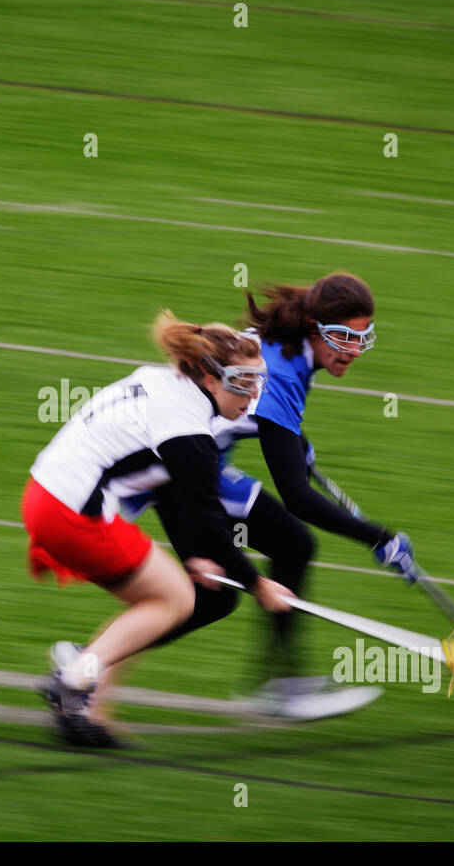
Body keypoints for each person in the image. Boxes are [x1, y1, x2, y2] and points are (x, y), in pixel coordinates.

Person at [124, 273, 418, 719]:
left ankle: (283, 685)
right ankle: (88, 661)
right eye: (342, 337)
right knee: (217, 594)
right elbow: (297, 497)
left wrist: (295, 442)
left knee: (290, 546)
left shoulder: (292, 346)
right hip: (175, 472)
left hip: (200, 463)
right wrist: (378, 538)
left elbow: (263, 423)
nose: (351, 350)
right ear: (315, 327)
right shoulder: (282, 369)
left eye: (362, 338)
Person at [24, 310, 295, 746]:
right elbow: (209, 521)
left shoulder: (163, 382)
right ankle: (74, 678)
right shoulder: (190, 431)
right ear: (210, 380)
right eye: (243, 383)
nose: (253, 395)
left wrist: (191, 556)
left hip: (44, 496)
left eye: (258, 381)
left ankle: (79, 695)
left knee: (159, 597)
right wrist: (258, 584)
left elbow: (170, 488)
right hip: (75, 514)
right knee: (176, 599)